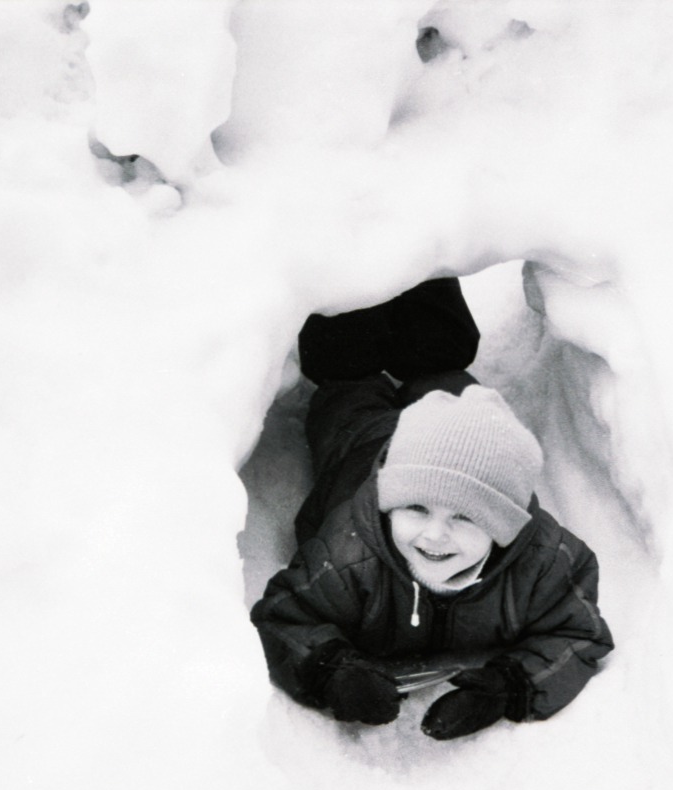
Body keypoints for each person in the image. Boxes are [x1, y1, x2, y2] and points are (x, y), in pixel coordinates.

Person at [251, 278, 614, 740]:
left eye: (465, 517)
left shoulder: (541, 564)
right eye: (415, 510)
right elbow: (285, 614)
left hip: (437, 453)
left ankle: (425, 294)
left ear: (503, 524)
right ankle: (353, 282)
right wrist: (332, 671)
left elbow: (578, 635)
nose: (433, 536)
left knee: (446, 376)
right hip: (364, 448)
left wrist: (508, 687)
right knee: (348, 388)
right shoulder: (350, 555)